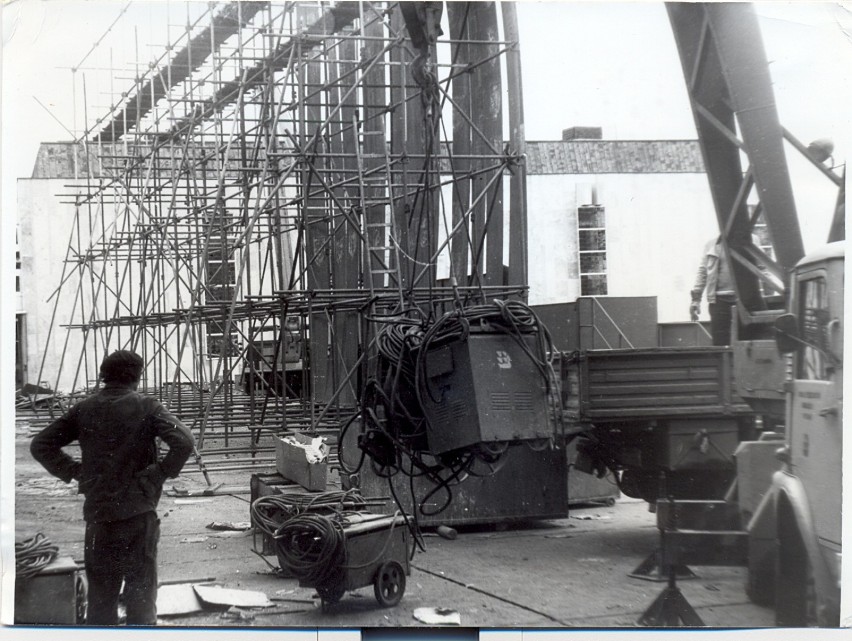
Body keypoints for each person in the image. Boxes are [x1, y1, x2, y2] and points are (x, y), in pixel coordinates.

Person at [30, 350, 195, 626]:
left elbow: (41, 445)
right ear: (137, 376)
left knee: (101, 600)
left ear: (104, 376)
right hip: (137, 514)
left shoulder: (84, 409)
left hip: (99, 517)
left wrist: (74, 471)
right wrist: (160, 472)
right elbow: (184, 441)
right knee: (140, 598)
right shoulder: (148, 407)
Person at [690, 236, 737, 346]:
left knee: (745, 343)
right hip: (719, 301)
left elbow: (762, 269)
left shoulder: (753, 241)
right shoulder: (711, 245)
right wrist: (695, 300)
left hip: (743, 301)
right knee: (720, 343)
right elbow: (702, 273)